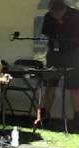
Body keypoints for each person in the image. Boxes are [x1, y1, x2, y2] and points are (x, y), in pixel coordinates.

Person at [41, 0, 79, 129]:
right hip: (54, 55)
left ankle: (77, 117)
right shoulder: (48, 17)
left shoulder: (75, 15)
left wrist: (62, 24)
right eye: (53, 14)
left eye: (58, 14)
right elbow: (46, 34)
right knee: (50, 85)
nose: (56, 17)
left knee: (74, 86)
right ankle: (46, 114)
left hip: (72, 54)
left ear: (64, 9)